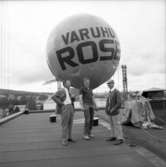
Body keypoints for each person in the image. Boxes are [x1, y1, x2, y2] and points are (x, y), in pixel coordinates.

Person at [52, 80, 75, 146]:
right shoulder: (62, 90)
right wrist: (61, 103)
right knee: (65, 124)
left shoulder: (69, 91)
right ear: (65, 84)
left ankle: (69, 138)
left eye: (70, 83)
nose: (70, 84)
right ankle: (64, 140)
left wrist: (73, 98)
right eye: (68, 83)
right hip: (65, 107)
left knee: (70, 123)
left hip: (70, 107)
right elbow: (53, 96)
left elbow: (70, 100)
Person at [105, 79, 124, 145]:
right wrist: (106, 109)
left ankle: (120, 138)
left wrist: (113, 108)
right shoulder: (109, 92)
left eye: (110, 83)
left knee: (117, 125)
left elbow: (119, 103)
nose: (109, 85)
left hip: (115, 112)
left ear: (113, 84)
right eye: (108, 84)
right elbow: (108, 102)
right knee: (112, 125)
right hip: (110, 112)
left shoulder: (117, 92)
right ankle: (113, 136)